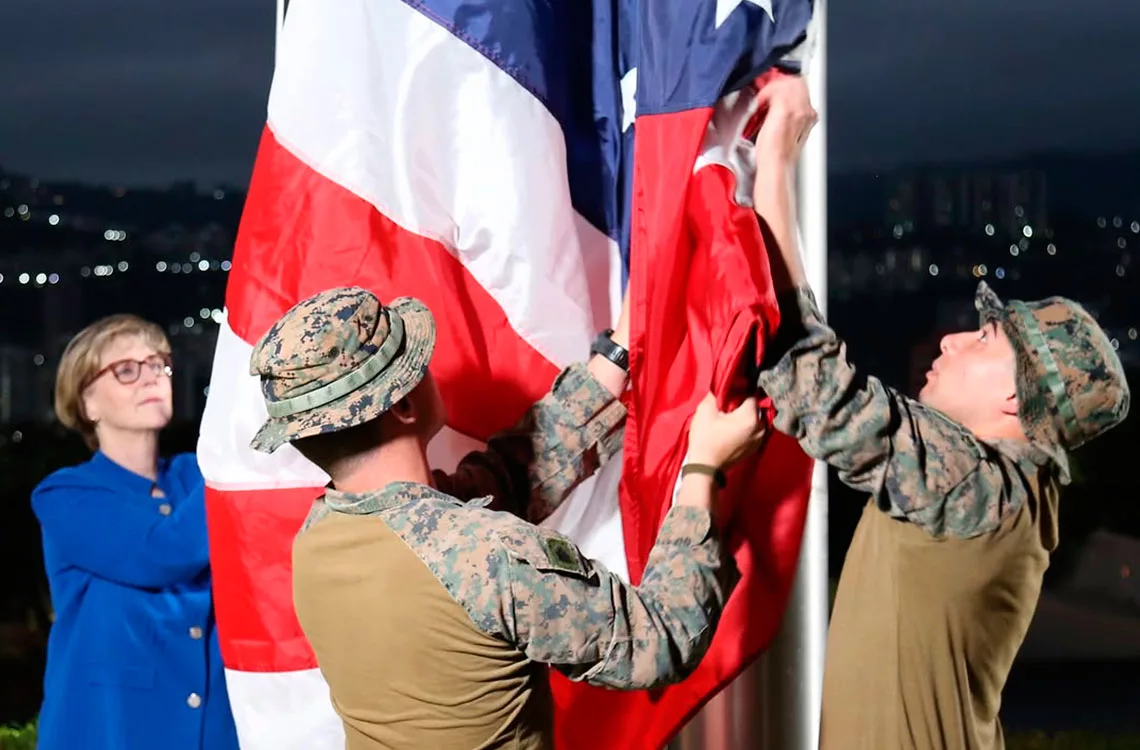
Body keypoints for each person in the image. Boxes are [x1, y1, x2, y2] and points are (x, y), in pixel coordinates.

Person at [748, 76, 1131, 749]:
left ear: (1014, 400)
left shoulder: (976, 485)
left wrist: (774, 163)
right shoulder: (1020, 489)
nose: (953, 340)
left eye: (983, 341)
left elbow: (813, 384)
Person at [248, 286, 768, 749]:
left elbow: (506, 477)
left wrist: (618, 353)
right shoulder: (486, 555)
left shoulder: (319, 538)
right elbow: (661, 639)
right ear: (404, 405)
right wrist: (704, 468)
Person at [31, 314, 239, 750]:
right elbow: (160, 554)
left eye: (158, 364)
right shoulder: (66, 494)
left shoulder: (192, 475)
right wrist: (230, 459)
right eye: (126, 370)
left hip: (214, 730)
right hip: (111, 731)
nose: (151, 377)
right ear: (87, 403)